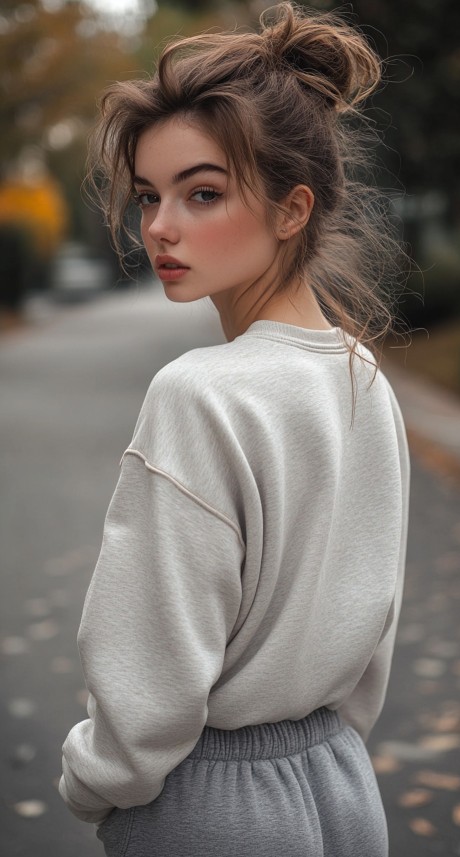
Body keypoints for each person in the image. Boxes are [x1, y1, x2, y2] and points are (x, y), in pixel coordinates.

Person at [59, 4, 410, 855]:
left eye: (202, 192)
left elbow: (149, 682)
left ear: (294, 210)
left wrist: (95, 783)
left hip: (209, 804)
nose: (161, 226)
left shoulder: (199, 393)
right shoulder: (366, 379)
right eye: (150, 195)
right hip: (342, 789)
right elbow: (373, 632)